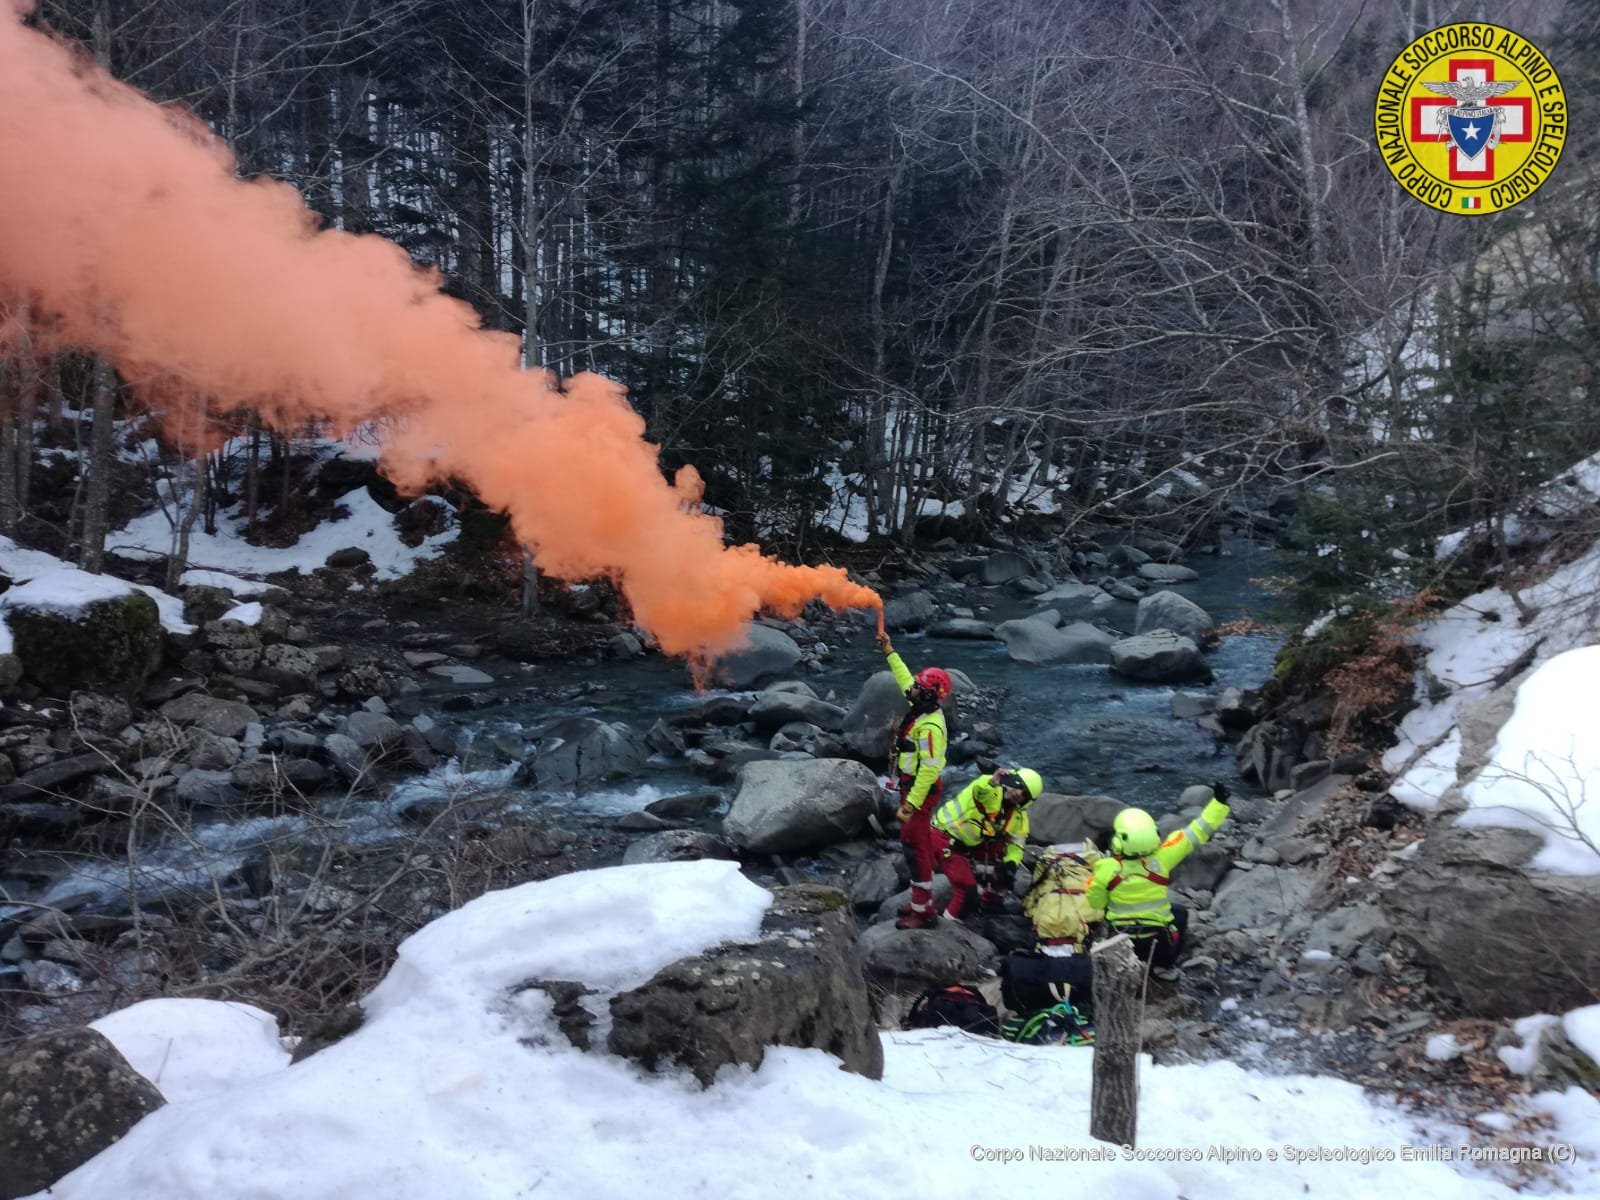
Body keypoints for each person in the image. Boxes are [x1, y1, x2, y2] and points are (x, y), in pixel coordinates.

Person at [1085, 781, 1230, 979]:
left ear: (1118, 842)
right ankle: (1164, 968)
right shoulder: (1163, 858)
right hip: (1159, 945)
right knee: (1180, 913)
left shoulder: (1105, 868)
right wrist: (1219, 803)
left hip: (1122, 944)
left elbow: (1095, 903)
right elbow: (1198, 831)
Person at [877, 631, 951, 930]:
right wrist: (889, 651)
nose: (914, 689)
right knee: (915, 844)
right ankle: (920, 902)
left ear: (931, 695)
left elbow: (929, 772)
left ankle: (924, 912)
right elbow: (904, 679)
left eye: (920, 688)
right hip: (910, 788)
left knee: (915, 848)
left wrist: (911, 805)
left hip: (920, 792)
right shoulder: (923, 708)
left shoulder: (931, 728)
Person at [929, 767, 1043, 924]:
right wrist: (991, 782)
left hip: (969, 844)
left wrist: (1011, 864)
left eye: (1024, 793)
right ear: (1011, 781)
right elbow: (980, 789)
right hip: (944, 838)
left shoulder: (1018, 817)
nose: (1018, 793)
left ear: (1027, 800)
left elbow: (1017, 844)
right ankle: (948, 926)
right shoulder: (989, 788)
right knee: (966, 892)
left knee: (1004, 869)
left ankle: (990, 901)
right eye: (1019, 786)